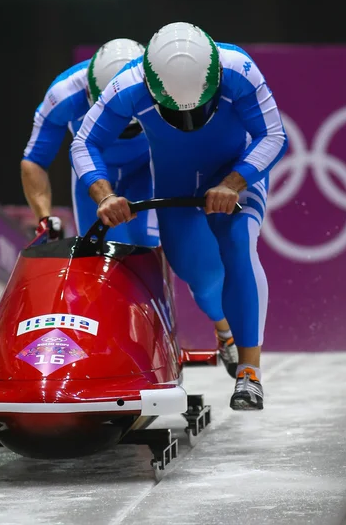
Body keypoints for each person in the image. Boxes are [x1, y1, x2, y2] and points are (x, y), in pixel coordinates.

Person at [71, 22, 288, 410]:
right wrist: (104, 195)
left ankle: (249, 373)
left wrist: (234, 183)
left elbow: (273, 135)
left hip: (235, 174)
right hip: (177, 184)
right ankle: (224, 332)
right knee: (199, 278)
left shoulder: (239, 69)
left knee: (237, 242)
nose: (188, 120)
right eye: (174, 112)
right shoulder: (128, 85)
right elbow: (85, 142)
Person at [21, 38, 159, 245]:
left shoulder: (163, 86)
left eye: (130, 127)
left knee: (147, 244)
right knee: (100, 250)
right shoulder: (63, 95)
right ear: (89, 95)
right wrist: (44, 218)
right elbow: (34, 161)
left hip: (145, 171)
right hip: (92, 176)